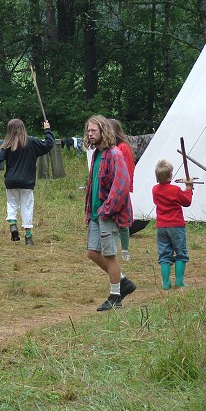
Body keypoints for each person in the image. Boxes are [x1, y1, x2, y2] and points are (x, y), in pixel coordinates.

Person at [84, 115, 137, 311]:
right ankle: (123, 281)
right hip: (96, 213)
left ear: (103, 132)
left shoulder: (115, 154)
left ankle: (116, 297)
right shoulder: (97, 155)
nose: (90, 134)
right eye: (88, 131)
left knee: (109, 254)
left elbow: (122, 185)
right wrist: (92, 211)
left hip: (109, 213)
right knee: (92, 252)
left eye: (93, 131)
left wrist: (107, 209)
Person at [0, 118, 55, 246]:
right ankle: (28, 237)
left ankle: (13, 224)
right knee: (27, 207)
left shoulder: (7, 144)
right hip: (27, 182)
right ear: (23, 128)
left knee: (12, 204)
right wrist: (47, 130)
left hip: (11, 180)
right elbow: (48, 145)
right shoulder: (32, 142)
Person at [152, 159, 194, 289]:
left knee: (165, 254)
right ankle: (179, 282)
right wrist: (189, 188)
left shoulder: (155, 189)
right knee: (181, 253)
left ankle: (165, 283)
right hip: (175, 225)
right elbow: (186, 201)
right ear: (170, 175)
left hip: (161, 226)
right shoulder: (175, 189)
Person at [108, 119, 135, 261]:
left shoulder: (123, 147)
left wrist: (125, 189)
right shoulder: (106, 148)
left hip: (121, 190)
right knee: (109, 221)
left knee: (123, 222)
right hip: (108, 190)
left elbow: (129, 168)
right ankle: (109, 249)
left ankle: (125, 251)